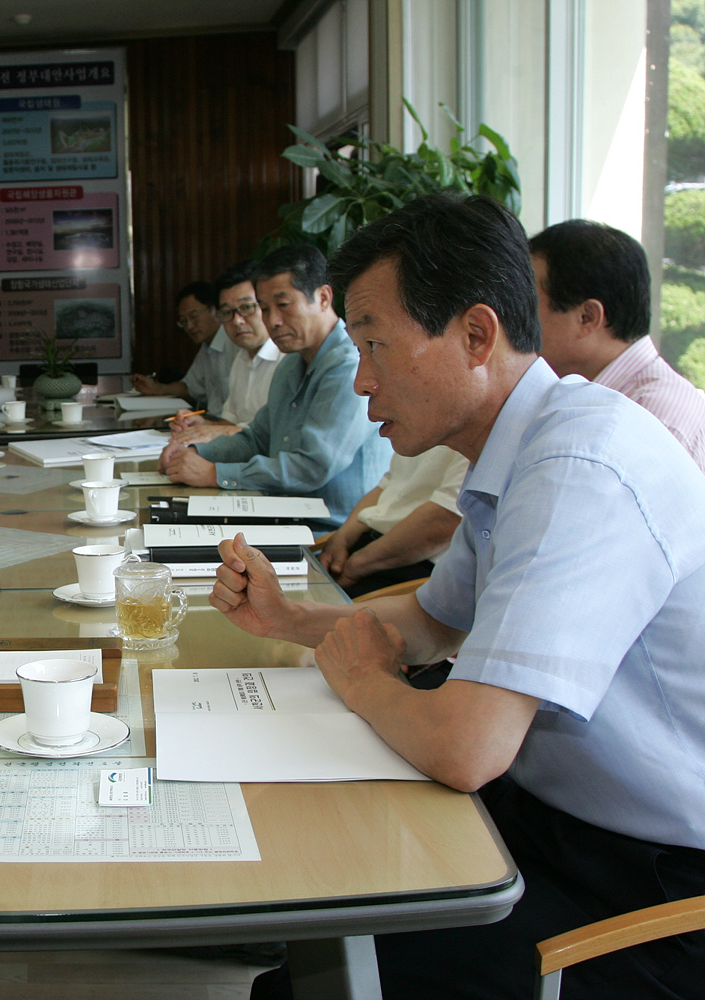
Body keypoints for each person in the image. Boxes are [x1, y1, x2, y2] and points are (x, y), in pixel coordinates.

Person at [209, 195, 705, 1000]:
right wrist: (290, 620)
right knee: (321, 907)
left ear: (477, 335)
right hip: (548, 822)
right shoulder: (519, 448)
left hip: (651, 890)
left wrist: (365, 681)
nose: (361, 378)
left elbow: (467, 748)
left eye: (374, 345)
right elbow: (436, 621)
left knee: (319, 975)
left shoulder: (582, 466)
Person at [159, 245, 392, 526]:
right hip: (282, 514)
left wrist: (212, 473)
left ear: (323, 298)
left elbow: (312, 467)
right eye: (265, 309)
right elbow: (256, 439)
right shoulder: (290, 365)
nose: (273, 321)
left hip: (330, 531)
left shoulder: (349, 366)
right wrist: (195, 453)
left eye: (283, 305)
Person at [530, 218, 705, 471]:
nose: (515, 318)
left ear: (587, 317)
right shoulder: (596, 397)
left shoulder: (653, 418)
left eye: (529, 304)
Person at [317, 447, 466, 597]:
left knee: (306, 611)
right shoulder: (415, 433)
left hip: (411, 564)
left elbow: (443, 521)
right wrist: (341, 539)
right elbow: (387, 486)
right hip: (371, 548)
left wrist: (355, 565)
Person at [168, 260, 284, 446]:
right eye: (227, 312)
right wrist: (201, 425)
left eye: (246, 308)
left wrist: (211, 430)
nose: (237, 321)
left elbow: (274, 435)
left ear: (265, 305)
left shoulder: (288, 359)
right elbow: (231, 423)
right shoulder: (241, 358)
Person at [132, 280, 232, 409]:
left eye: (194, 316)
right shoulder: (207, 346)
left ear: (215, 310)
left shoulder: (235, 343)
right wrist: (158, 388)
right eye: (184, 321)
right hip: (214, 423)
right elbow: (190, 387)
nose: (189, 326)